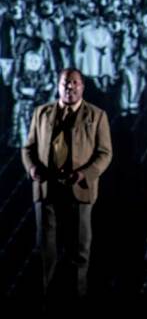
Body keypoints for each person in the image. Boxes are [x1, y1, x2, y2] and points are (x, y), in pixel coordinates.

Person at [21, 68, 112, 298]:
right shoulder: (41, 113)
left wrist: (86, 174)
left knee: (79, 252)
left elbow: (105, 153)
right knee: (45, 251)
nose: (69, 87)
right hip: (46, 189)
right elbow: (28, 148)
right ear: (58, 85)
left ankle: (76, 304)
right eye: (65, 83)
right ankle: (47, 304)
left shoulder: (96, 115)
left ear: (82, 86)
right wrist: (32, 168)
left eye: (74, 83)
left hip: (79, 190)